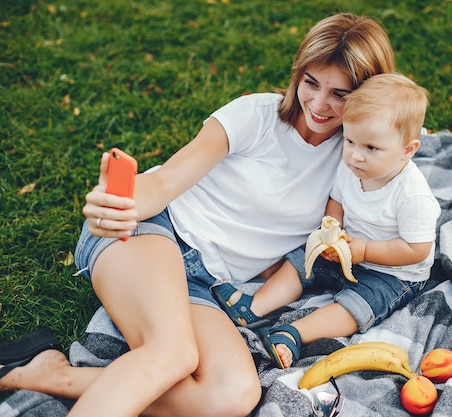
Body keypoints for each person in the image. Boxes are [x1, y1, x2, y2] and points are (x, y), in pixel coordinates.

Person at [0, 13, 395, 417]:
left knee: (233, 395)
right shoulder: (254, 117)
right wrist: (119, 204)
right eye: (310, 83)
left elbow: (380, 222)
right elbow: (166, 182)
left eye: (340, 94)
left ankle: (49, 375)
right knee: (171, 355)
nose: (318, 103)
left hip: (210, 284)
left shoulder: (355, 159)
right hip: (154, 233)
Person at [213, 73, 441, 369]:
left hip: (394, 273)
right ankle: (253, 307)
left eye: (371, 148)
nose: (356, 156)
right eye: (349, 141)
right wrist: (331, 230)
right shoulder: (350, 169)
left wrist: (366, 252)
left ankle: (294, 333)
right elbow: (337, 202)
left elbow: (416, 249)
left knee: (357, 306)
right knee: (301, 260)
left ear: (407, 151)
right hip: (350, 250)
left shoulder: (411, 195)